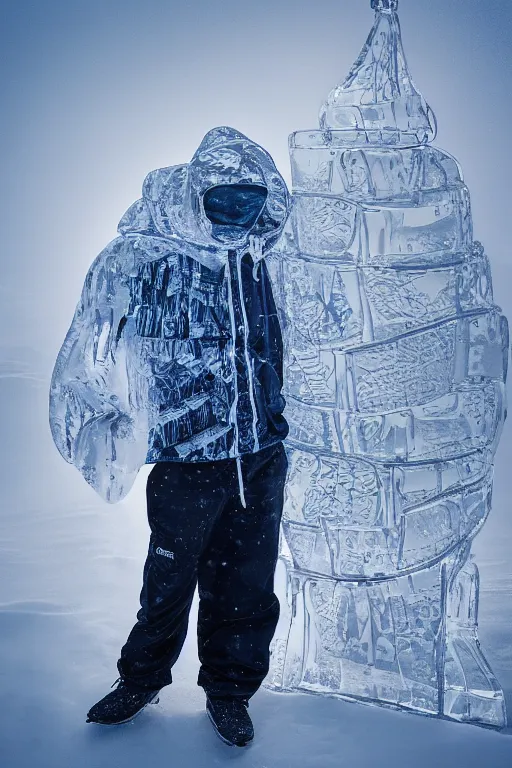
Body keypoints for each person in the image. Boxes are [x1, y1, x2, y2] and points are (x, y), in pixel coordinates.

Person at [49, 126, 290, 747]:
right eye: (224, 201)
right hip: (186, 458)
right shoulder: (146, 257)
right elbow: (90, 347)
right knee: (170, 574)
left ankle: (231, 692)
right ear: (196, 195)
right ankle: (141, 678)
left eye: (250, 201)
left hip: (260, 453)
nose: (237, 215)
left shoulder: (267, 261)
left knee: (248, 581)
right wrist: (110, 424)